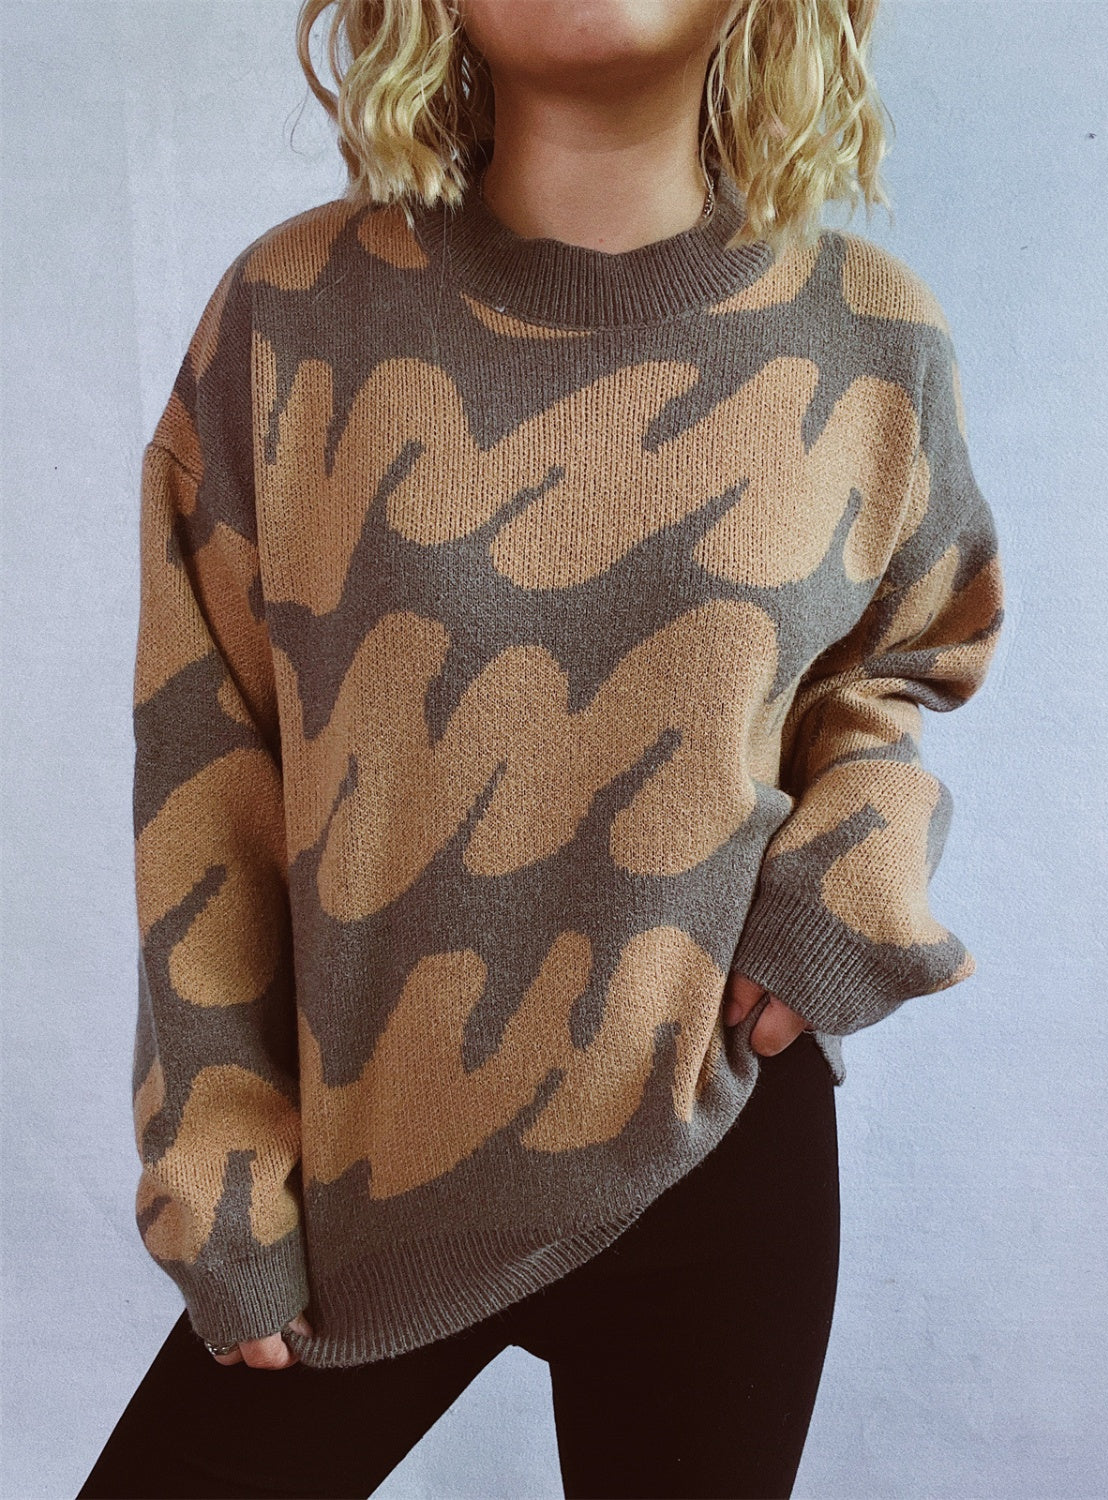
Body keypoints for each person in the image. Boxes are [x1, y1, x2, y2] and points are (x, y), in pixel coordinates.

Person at [77, 0, 1005, 1495]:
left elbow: (900, 664)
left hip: (715, 1151)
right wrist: (214, 1147)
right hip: (357, 1180)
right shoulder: (291, 315)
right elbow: (206, 755)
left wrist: (851, 873)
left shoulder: (869, 337)